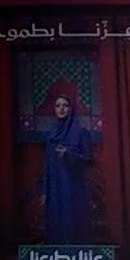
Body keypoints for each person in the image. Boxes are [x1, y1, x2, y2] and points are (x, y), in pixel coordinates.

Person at [22, 79, 102, 245]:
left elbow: (89, 159)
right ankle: (58, 255)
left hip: (74, 186)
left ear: (71, 109)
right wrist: (45, 191)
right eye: (58, 105)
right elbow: (47, 165)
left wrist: (68, 154)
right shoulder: (51, 134)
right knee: (56, 222)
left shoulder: (81, 133)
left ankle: (78, 256)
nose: (61, 109)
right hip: (55, 187)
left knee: (74, 222)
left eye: (65, 105)